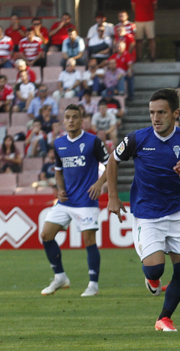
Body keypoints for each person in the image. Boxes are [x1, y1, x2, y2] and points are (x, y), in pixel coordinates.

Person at [107, 89, 180, 331]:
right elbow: (113, 160)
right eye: (152, 113)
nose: (156, 118)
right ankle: (152, 278)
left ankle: (164, 318)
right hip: (148, 214)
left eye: (161, 112)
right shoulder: (137, 139)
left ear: (175, 113)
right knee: (156, 268)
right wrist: (112, 197)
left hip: (179, 212)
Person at [40, 104, 109, 297]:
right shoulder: (59, 143)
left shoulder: (93, 141)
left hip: (86, 201)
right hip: (66, 201)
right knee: (46, 235)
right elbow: (59, 171)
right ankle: (60, 277)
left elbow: (110, 164)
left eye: (74, 117)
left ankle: (93, 284)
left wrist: (99, 183)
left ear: (81, 120)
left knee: (88, 241)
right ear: (63, 120)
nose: (71, 120)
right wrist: (60, 189)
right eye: (67, 117)